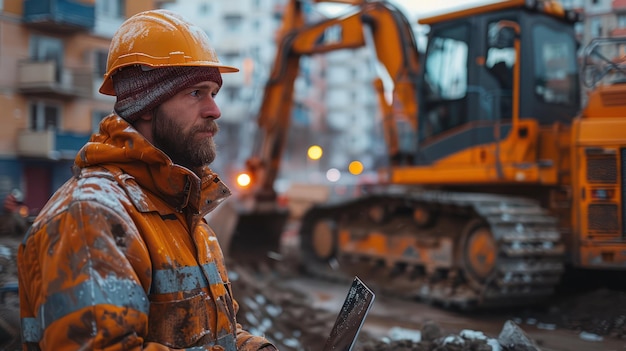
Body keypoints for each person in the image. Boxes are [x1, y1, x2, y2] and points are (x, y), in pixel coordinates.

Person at [17, 9, 278, 351]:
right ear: (146, 105)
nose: (214, 110)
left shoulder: (181, 212)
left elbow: (208, 334)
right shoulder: (91, 215)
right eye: (196, 93)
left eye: (214, 93)